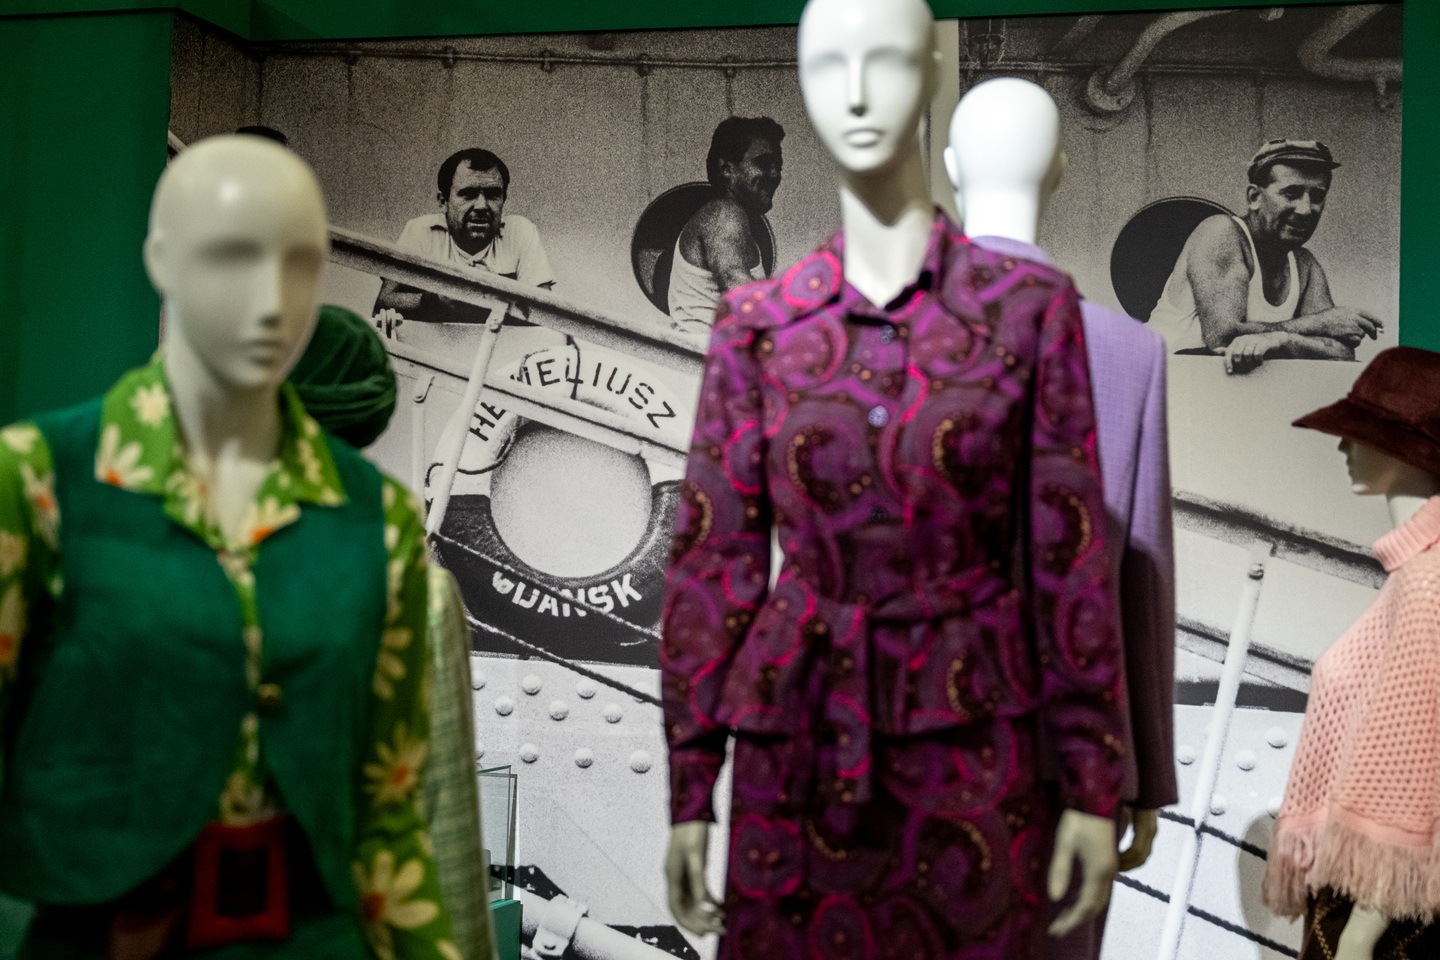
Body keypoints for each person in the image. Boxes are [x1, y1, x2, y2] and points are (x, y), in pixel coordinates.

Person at [661, 1, 1129, 956]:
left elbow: (1068, 557)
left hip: (977, 741)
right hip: (796, 747)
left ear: (930, 75)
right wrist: (689, 786)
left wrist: (1093, 780)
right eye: (829, 65)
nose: (858, 92)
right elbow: (715, 563)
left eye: (885, 60)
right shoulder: (760, 326)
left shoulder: (1028, 310)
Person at [0, 136, 457, 960]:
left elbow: (385, 815)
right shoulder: (40, 482)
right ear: (162, 260)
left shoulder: (376, 520)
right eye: (234, 258)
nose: (272, 300)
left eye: (301, 264)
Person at [947, 76, 1176, 960]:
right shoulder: (1129, 350)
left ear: (951, 167)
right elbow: (1140, 577)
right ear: (1060, 173)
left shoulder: (861, 333)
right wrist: (1145, 772)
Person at [1264, 347, 1440, 959]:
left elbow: (1416, 765)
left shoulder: (1428, 583)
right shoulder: (1413, 572)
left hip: (1382, 912)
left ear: (1407, 451)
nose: (1342, 446)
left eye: (1358, 433)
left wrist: (1362, 933)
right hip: (1368, 894)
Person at [1147, 139, 1382, 374]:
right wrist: (1318, 323)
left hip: (1221, 392)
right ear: (1254, 197)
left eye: (1317, 196)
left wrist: (1282, 340)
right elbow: (1222, 337)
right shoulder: (1220, 232)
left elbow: (1340, 352)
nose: (1305, 209)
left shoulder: (1305, 265)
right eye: (1291, 193)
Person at [374, 148, 554, 326]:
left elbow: (546, 314)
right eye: (468, 194)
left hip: (502, 345)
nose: (481, 206)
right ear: (443, 202)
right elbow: (383, 304)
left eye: (493, 195)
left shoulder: (519, 232)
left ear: (503, 200)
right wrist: (435, 300)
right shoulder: (421, 231)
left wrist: (496, 295)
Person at [666, 116, 784, 330]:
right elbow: (735, 282)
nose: (775, 174)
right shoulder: (724, 214)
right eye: (764, 163)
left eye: (779, 166)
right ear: (727, 169)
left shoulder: (731, 220)